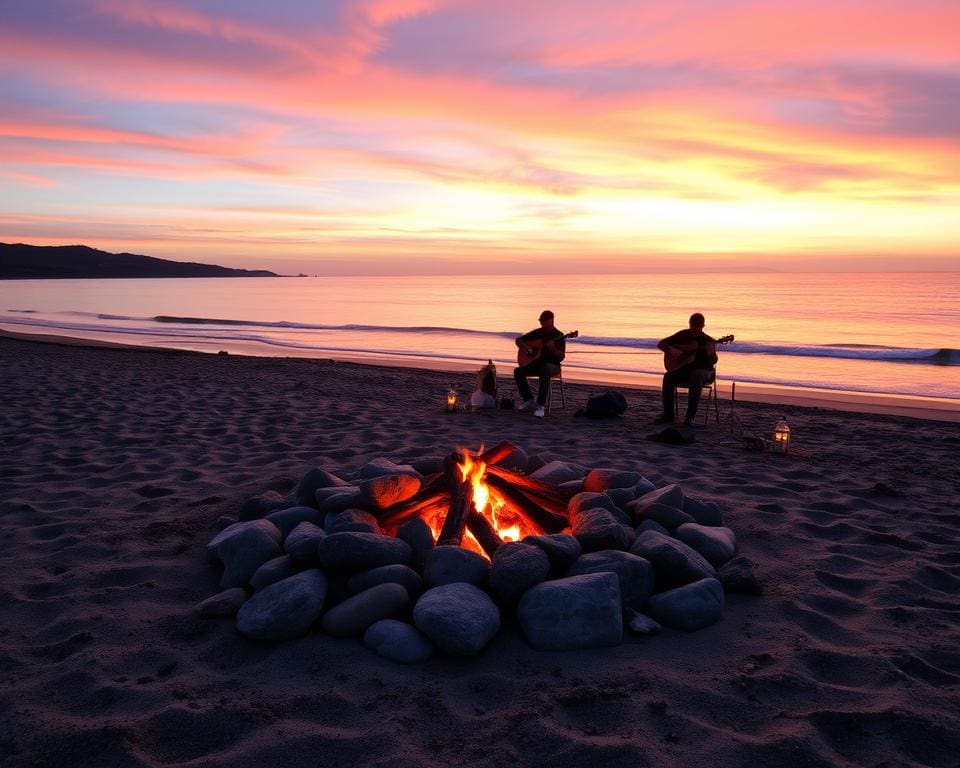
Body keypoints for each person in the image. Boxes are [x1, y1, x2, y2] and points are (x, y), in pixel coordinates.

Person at [656, 312, 718, 426]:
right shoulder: (682, 335)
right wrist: (673, 350)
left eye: (697, 326)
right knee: (668, 377)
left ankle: (690, 417)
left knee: (696, 375)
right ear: (689, 324)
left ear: (702, 326)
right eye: (692, 325)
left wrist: (710, 354)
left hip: (704, 372)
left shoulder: (707, 341)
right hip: (685, 370)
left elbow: (713, 361)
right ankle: (669, 415)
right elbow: (661, 344)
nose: (694, 328)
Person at [514, 310, 566, 418]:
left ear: (551, 320)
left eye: (543, 321)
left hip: (553, 366)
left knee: (545, 368)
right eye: (540, 321)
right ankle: (529, 400)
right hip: (537, 364)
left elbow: (561, 357)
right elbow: (518, 340)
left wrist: (553, 349)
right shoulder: (539, 332)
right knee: (518, 372)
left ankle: (541, 406)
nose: (541, 323)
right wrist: (527, 348)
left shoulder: (559, 336)